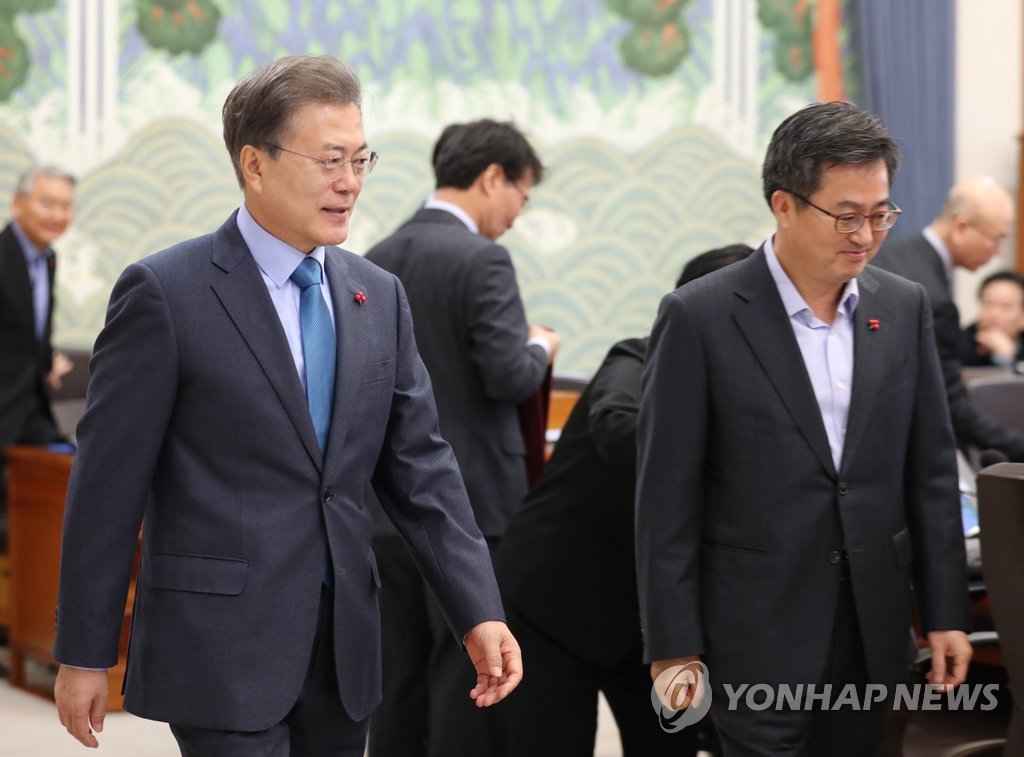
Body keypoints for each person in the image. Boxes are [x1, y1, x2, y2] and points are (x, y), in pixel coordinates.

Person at [52, 55, 521, 756]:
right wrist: (85, 650)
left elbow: (422, 468)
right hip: (221, 645)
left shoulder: (378, 296)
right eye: (329, 160)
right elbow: (107, 484)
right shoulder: (167, 293)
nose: (349, 182)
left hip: (345, 647)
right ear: (255, 164)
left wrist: (477, 607)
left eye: (360, 160)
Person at [636, 101, 972, 756]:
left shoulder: (903, 308)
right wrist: (673, 647)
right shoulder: (700, 317)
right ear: (784, 205)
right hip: (752, 632)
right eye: (846, 216)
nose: (865, 234)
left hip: (872, 629)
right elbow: (665, 501)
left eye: (880, 214)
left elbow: (930, 474)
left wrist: (945, 613)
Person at [495, 244, 751, 757]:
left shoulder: (753, 389)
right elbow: (616, 427)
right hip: (554, 600)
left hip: (654, 622)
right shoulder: (637, 357)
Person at [364, 119, 558, 757]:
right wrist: (540, 345)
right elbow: (508, 377)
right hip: (470, 508)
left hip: (383, 507)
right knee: (473, 675)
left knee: (397, 682)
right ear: (493, 178)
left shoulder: (375, 256)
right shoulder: (483, 259)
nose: (517, 215)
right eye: (522, 195)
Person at [873, 177, 1024, 460]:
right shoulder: (934, 298)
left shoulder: (890, 253)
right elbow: (948, 406)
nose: (998, 251)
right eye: (996, 239)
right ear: (961, 227)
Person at [0, 165, 75, 554]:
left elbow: (31, 329)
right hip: (5, 412)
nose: (58, 215)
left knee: (74, 473)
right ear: (18, 203)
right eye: (48, 204)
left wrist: (47, 363)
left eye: (66, 206)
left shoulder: (48, 258)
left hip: (29, 412)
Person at [958, 270, 1024, 369]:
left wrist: (1008, 355)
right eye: (988, 304)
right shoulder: (960, 342)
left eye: (1006, 306)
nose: (994, 313)